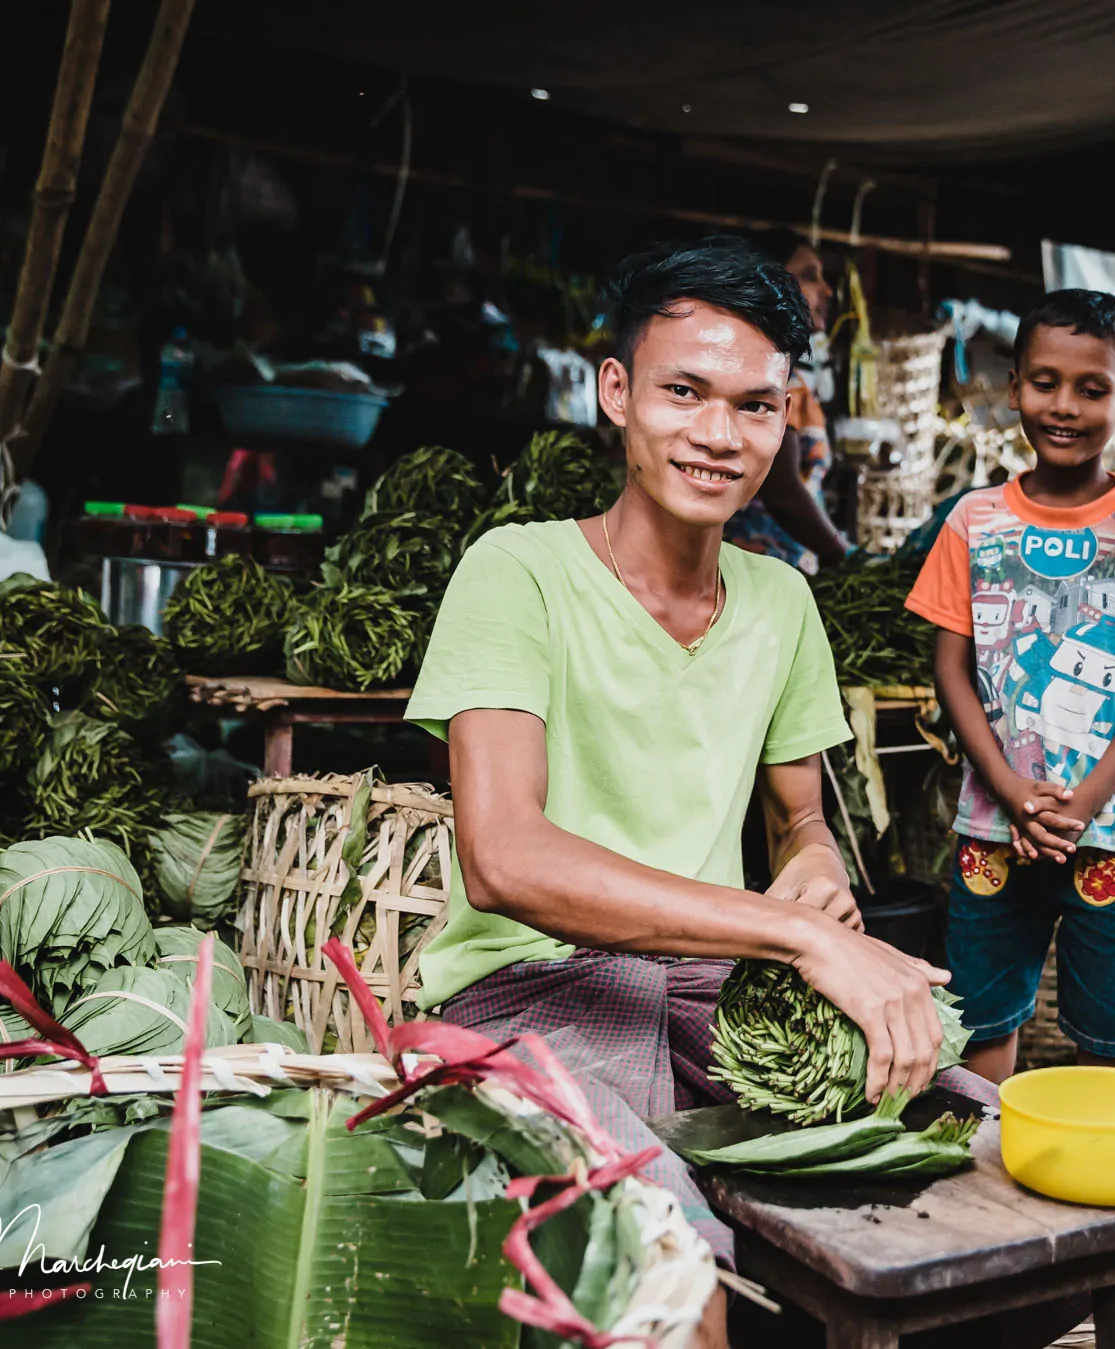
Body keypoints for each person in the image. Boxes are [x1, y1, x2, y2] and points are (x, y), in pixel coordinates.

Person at [404, 238, 967, 1349]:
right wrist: (799, 938)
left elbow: (797, 813)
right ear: (615, 392)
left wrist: (810, 862)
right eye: (683, 392)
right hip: (531, 992)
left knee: (963, 1148)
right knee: (668, 1265)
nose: (718, 435)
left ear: (784, 414)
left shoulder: (781, 601)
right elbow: (505, 858)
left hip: (717, 987)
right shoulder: (514, 572)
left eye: (754, 406)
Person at [905, 290, 1115, 1081]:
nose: (1063, 405)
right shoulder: (973, 520)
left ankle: (1099, 1184)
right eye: (1044, 382)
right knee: (979, 1022)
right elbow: (951, 669)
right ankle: (977, 1185)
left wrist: (1081, 804)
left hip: (1107, 831)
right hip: (989, 826)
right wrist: (1009, 788)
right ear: (1013, 388)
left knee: (1110, 1038)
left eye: (1091, 388)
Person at [722, 230, 853, 571]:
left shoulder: (792, 378)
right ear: (770, 283)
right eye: (810, 277)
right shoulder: (766, 377)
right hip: (755, 570)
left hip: (785, 571)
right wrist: (848, 556)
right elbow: (781, 491)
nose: (827, 290)